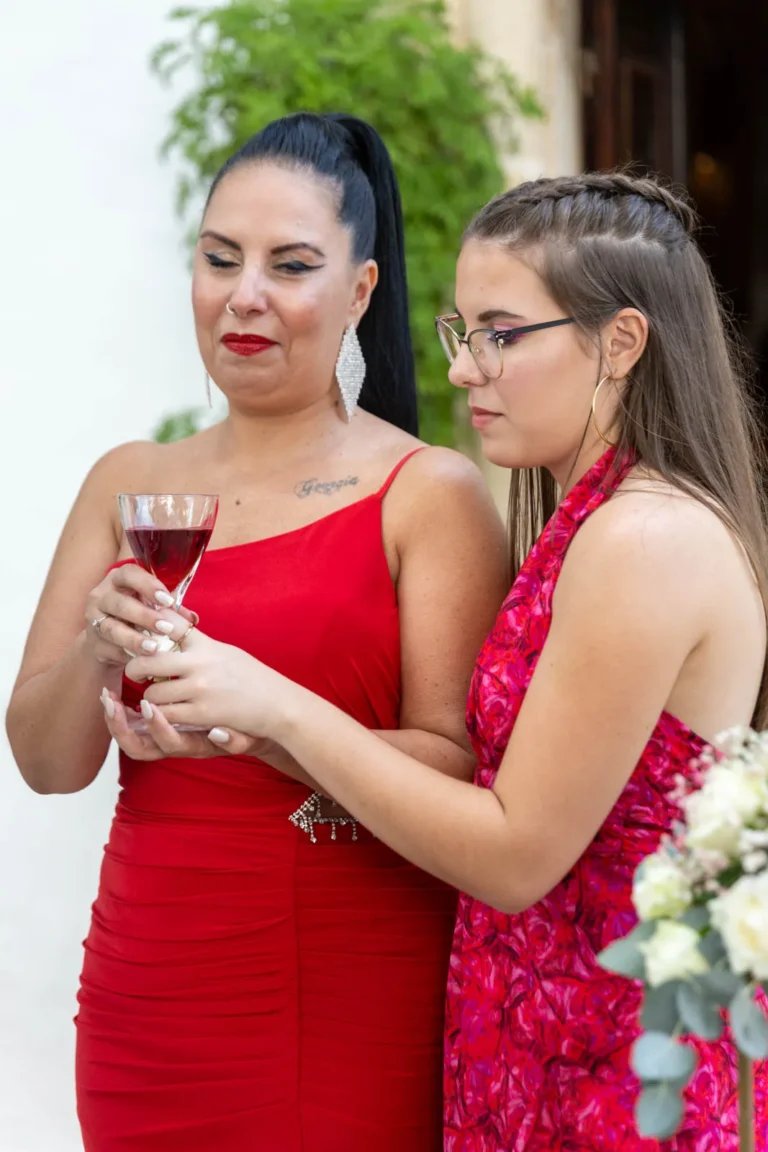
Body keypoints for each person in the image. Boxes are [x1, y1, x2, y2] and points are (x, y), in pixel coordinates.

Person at [124, 172, 768, 1150]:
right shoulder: (587, 523)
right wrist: (247, 729)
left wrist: (282, 706)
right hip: (540, 1053)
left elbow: (514, 856)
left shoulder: (646, 540)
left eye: (501, 334)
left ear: (622, 343)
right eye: (461, 333)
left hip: (611, 1083)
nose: (467, 370)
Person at [6, 112, 508, 1151]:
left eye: (290, 265)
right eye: (220, 258)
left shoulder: (427, 494)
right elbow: (46, 762)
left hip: (346, 972)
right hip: (149, 974)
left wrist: (268, 721)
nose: (244, 295)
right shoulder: (131, 483)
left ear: (360, 292)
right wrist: (100, 647)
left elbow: (460, 769)